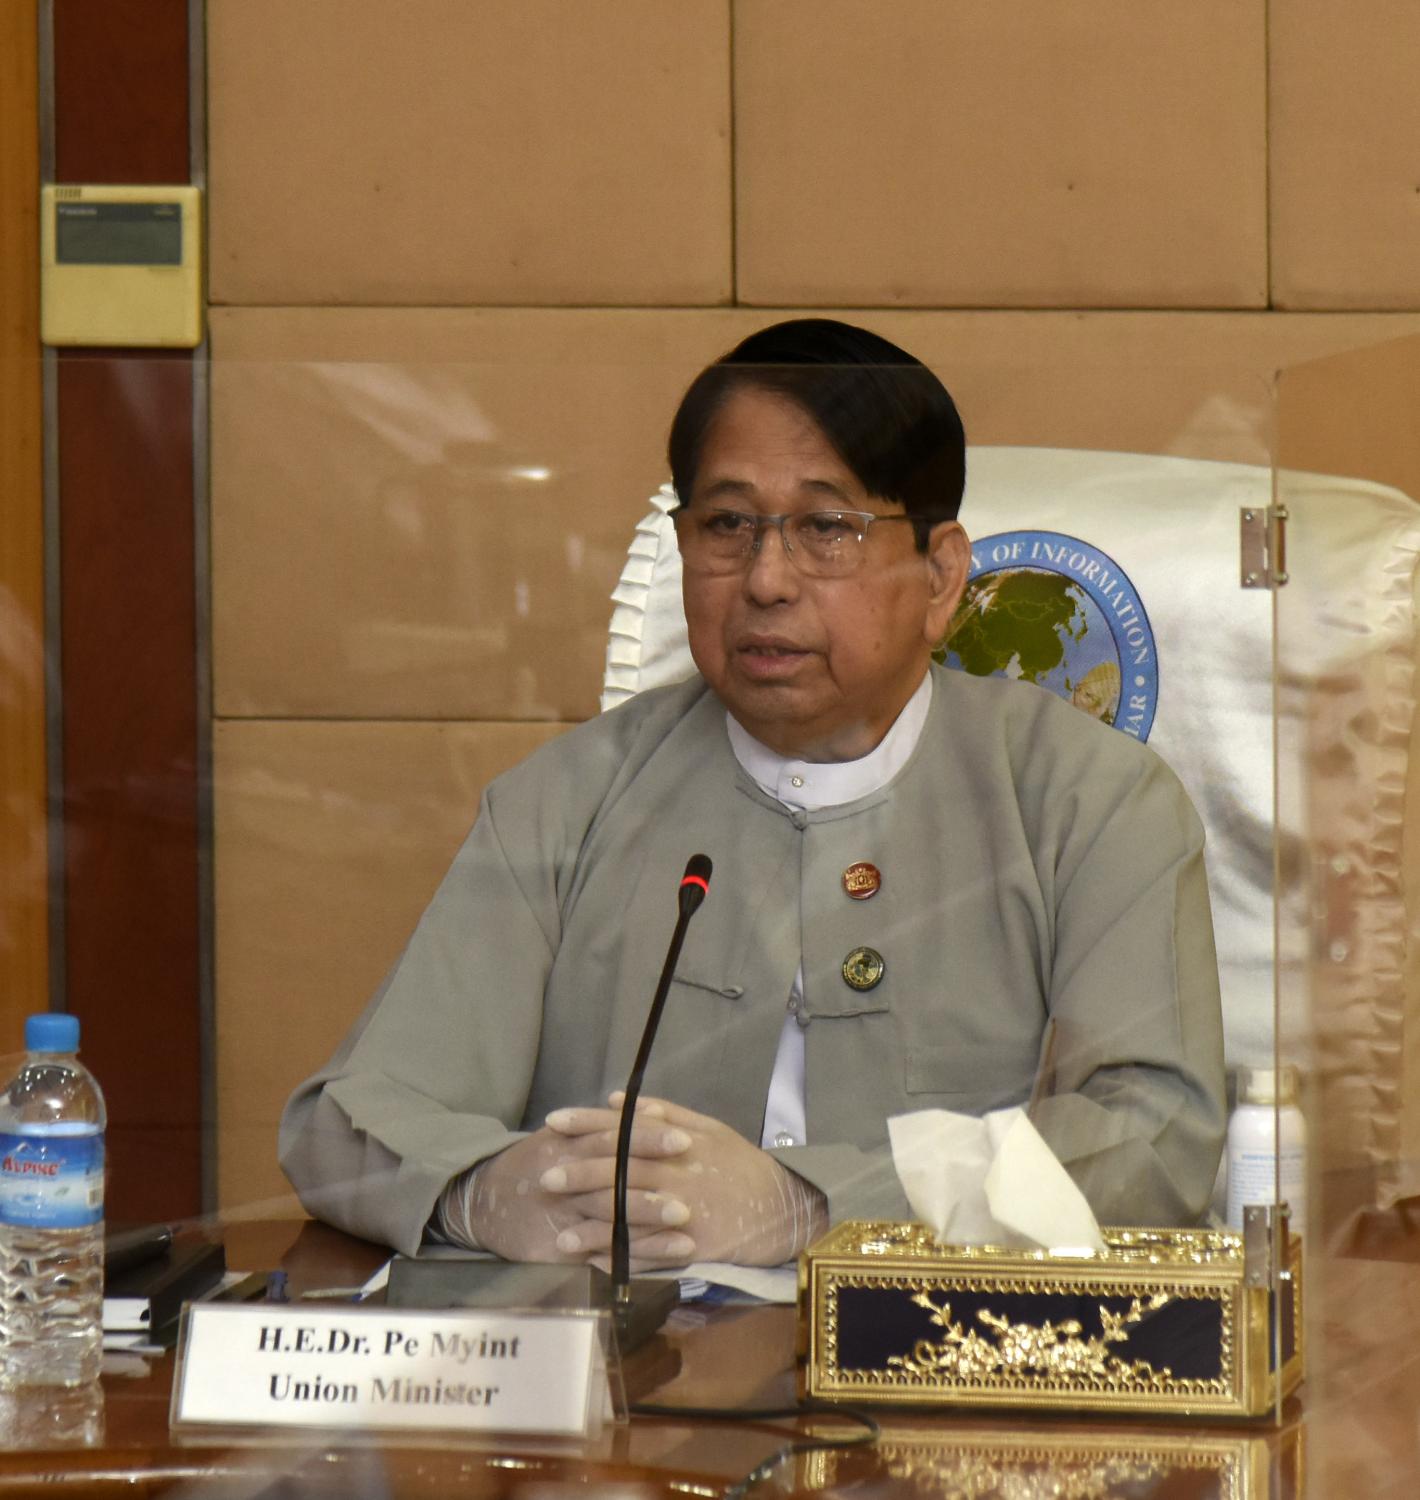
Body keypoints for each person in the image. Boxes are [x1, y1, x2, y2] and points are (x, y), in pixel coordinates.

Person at [280, 319, 1226, 1266]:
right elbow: (345, 1122)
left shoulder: (1088, 801)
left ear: (941, 577)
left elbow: (1156, 1139)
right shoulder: (566, 801)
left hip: (938, 1345)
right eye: (727, 526)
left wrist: (811, 1209)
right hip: (637, 1346)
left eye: (827, 529)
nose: (767, 580)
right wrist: (489, 1193)